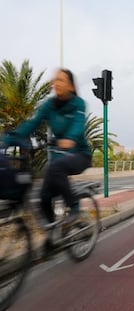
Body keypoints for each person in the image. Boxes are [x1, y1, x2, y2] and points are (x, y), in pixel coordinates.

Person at [12, 68, 92, 225]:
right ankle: (53, 234)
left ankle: (74, 206)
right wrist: (13, 136)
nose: (56, 83)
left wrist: (70, 138)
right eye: (55, 80)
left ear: (71, 87)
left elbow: (78, 124)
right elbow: (33, 123)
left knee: (56, 167)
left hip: (80, 154)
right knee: (43, 197)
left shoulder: (78, 104)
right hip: (58, 155)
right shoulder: (49, 105)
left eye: (61, 80)